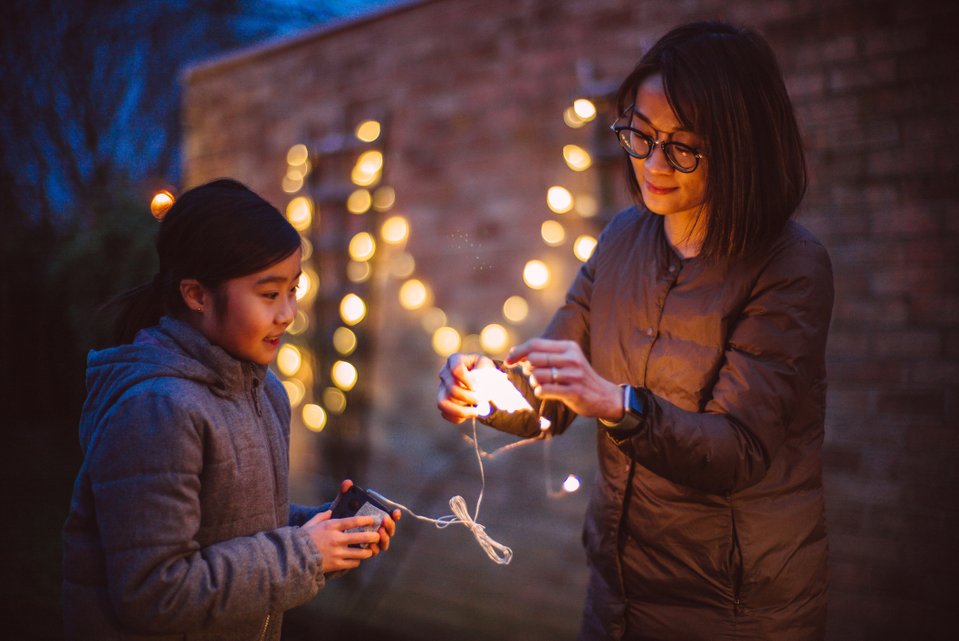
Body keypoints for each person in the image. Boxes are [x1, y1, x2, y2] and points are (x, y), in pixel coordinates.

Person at [437, 21, 833, 641]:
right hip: (618, 593)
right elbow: (552, 397)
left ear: (740, 145)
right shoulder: (623, 236)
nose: (653, 162)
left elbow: (740, 451)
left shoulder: (789, 266)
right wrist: (486, 392)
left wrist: (619, 405)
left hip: (735, 610)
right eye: (640, 135)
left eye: (682, 146)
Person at [62, 178, 399, 640]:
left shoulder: (265, 392)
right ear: (196, 295)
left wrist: (326, 532)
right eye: (268, 293)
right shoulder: (157, 409)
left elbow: (234, 527)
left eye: (294, 289)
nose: (288, 313)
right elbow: (154, 594)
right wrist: (304, 552)